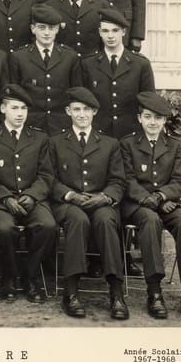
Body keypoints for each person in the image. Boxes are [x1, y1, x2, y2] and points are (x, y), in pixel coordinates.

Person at [120, 91, 181, 321]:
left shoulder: (175, 145)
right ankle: (154, 292)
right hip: (138, 205)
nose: (153, 122)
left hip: (167, 202)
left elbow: (180, 181)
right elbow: (126, 179)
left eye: (158, 118)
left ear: (165, 120)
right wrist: (149, 199)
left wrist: (161, 197)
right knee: (150, 220)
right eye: (148, 117)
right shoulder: (127, 144)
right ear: (139, 118)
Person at [48, 87, 128, 320]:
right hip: (68, 203)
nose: (81, 115)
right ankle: (71, 292)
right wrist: (69, 195)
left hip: (100, 201)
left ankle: (116, 292)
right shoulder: (56, 142)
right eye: (76, 109)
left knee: (106, 220)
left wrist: (105, 197)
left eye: (86, 110)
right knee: (78, 219)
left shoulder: (110, 143)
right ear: (68, 111)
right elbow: (48, 178)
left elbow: (118, 181)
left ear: (94, 112)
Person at [0, 84, 55, 303]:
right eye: (15, 108)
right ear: (3, 109)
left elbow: (46, 174)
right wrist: (5, 197)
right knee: (4, 229)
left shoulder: (39, 138)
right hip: (1, 200)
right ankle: (9, 276)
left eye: (24, 108)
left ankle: (30, 276)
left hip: (33, 199)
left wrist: (32, 195)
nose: (20, 113)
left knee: (47, 226)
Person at [8, 3, 83, 135]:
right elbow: (14, 96)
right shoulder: (19, 57)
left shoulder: (70, 57)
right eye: (42, 28)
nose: (47, 33)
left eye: (51, 28)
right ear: (33, 29)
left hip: (62, 125)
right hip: (30, 124)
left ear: (57, 29)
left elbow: (76, 95)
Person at [81, 8, 155, 138]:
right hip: (99, 136)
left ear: (123, 32)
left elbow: (149, 104)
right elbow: (83, 103)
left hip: (131, 136)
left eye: (115, 30)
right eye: (105, 31)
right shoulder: (88, 64)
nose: (110, 36)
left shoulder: (141, 64)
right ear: (99, 32)